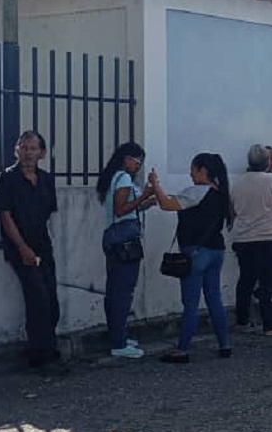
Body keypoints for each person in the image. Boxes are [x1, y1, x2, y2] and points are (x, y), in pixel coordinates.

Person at [147, 153, 234, 364]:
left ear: (203, 171)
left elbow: (167, 204)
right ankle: (224, 344)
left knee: (191, 303)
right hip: (216, 250)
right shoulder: (221, 193)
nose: (190, 173)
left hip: (195, 252)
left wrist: (155, 184)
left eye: (193, 169)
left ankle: (182, 349)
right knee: (214, 298)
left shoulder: (197, 191)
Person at [0, 130, 63, 374]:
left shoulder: (45, 180)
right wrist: (22, 247)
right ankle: (40, 356)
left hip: (43, 245)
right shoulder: (7, 179)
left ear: (41, 153)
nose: (28, 153)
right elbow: (5, 215)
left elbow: (48, 213)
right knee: (38, 299)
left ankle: (49, 350)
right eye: (23, 147)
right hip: (19, 246)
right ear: (16, 151)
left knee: (51, 300)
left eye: (33, 148)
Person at [97, 141, 156, 359]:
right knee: (122, 291)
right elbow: (121, 210)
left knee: (115, 290)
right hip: (123, 239)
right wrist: (144, 195)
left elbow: (126, 208)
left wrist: (145, 202)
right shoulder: (123, 178)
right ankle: (119, 343)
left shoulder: (115, 177)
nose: (138, 165)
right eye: (136, 160)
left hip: (115, 237)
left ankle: (118, 335)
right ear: (126, 159)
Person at [232, 144, 272, 337]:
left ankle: (242, 320)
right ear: (267, 162)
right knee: (267, 283)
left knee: (246, 280)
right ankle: (270, 324)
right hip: (269, 237)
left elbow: (233, 210)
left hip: (244, 237)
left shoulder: (237, 184)